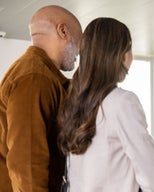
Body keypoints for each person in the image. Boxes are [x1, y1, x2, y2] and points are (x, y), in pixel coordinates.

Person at [57, 17, 154, 192]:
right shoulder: (123, 102)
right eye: (129, 48)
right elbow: (152, 179)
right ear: (119, 55)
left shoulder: (75, 103)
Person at [0, 5, 82, 192]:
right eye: (79, 42)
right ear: (63, 31)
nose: (79, 53)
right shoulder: (35, 78)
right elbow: (27, 161)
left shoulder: (41, 75)